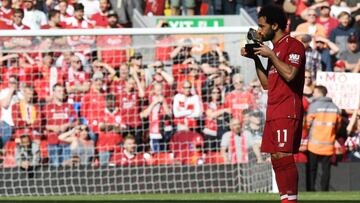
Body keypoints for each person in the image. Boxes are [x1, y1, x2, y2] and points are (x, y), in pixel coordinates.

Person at [241, 4, 306, 203]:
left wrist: (270, 55)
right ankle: (284, 199)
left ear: (275, 25)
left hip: (287, 108)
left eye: (262, 26)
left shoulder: (293, 45)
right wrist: (256, 59)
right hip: (273, 109)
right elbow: (267, 84)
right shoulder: (275, 49)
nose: (259, 31)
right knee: (276, 157)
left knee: (284, 156)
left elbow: (290, 74)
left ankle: (291, 201)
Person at [305, 85, 342, 191]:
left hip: (314, 145)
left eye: (315, 92)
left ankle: (311, 189)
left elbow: (307, 124)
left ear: (320, 93)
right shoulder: (335, 107)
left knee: (312, 169)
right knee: (326, 170)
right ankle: (324, 190)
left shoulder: (313, 106)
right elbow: (338, 126)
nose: (313, 94)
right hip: (328, 144)